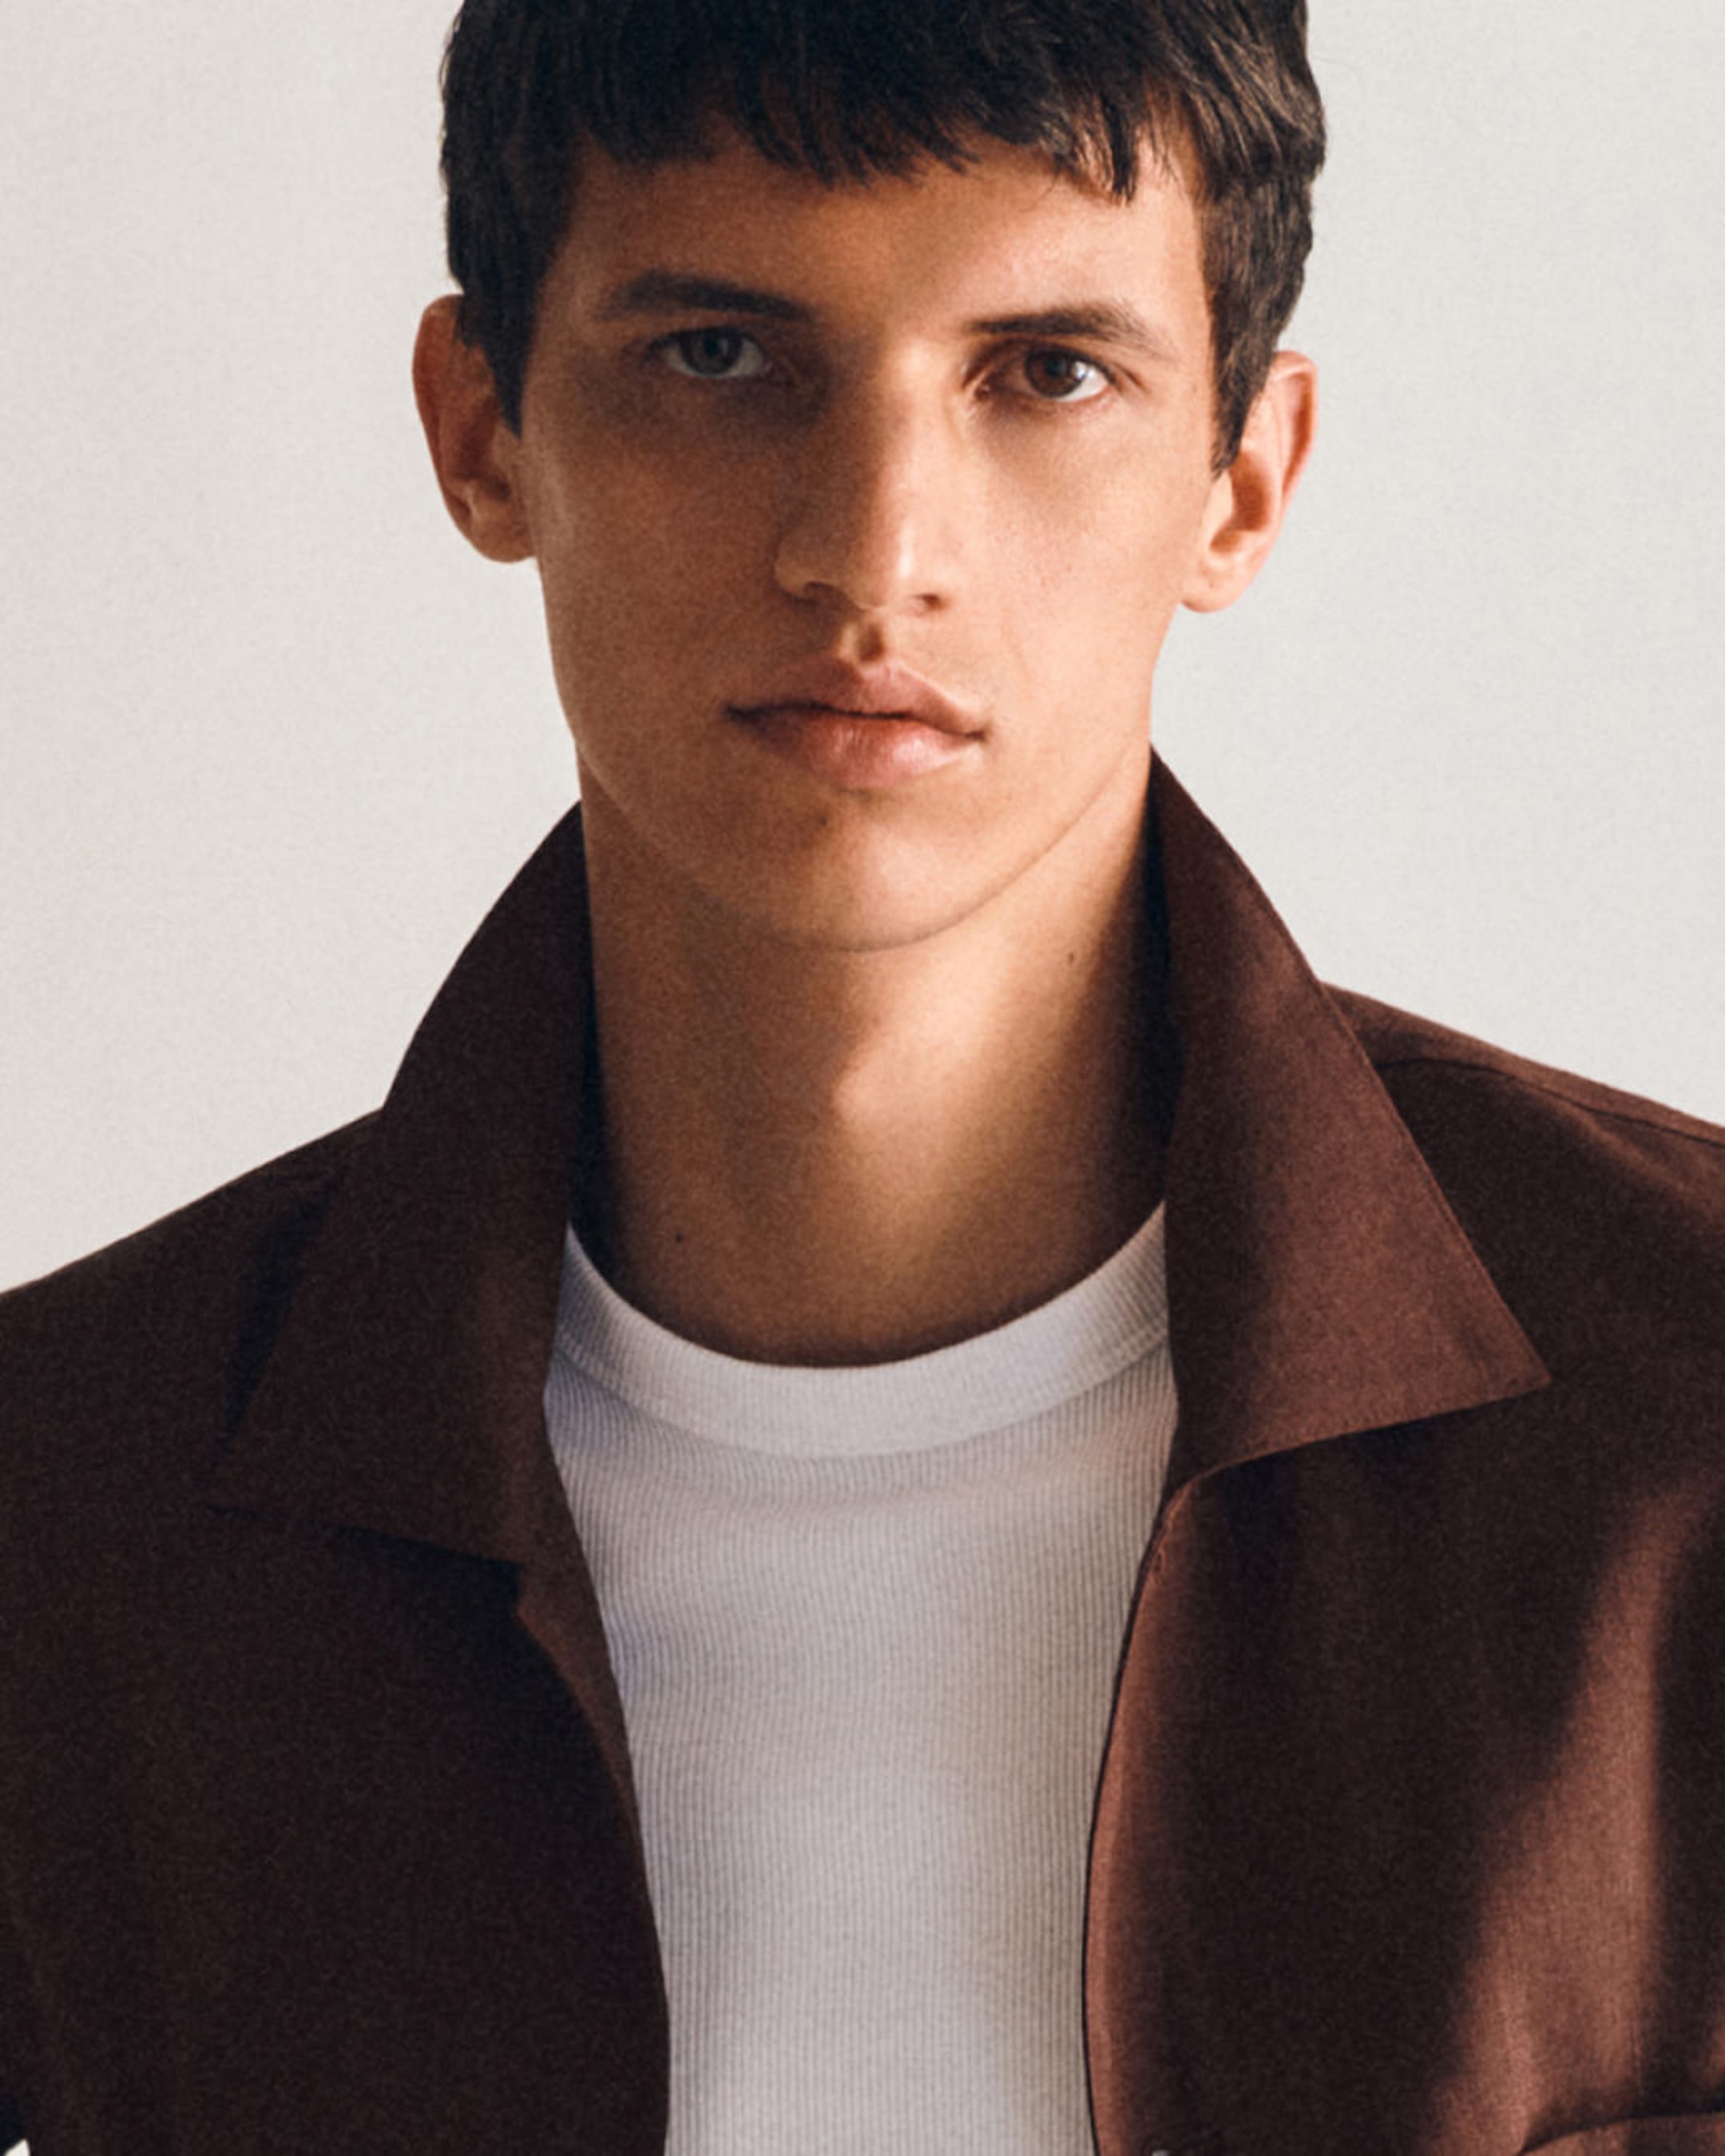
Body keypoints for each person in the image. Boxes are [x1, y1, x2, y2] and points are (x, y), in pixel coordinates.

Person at [2, 1, 1721, 2150]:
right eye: (722, 355)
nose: (873, 543)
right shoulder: (62, 1528)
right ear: (479, 429)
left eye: (1049, 372)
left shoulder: (1688, 1429)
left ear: (1245, 477)